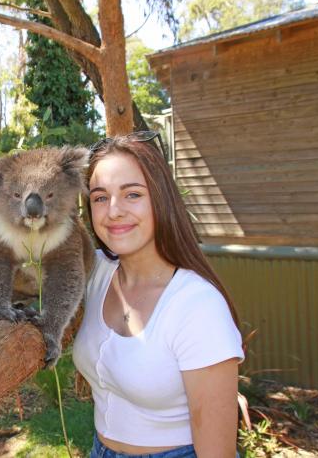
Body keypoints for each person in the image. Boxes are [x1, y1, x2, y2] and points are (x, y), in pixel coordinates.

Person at [73, 131, 245, 458]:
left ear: (161, 198)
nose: (114, 211)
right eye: (99, 197)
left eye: (132, 194)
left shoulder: (198, 307)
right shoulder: (96, 272)